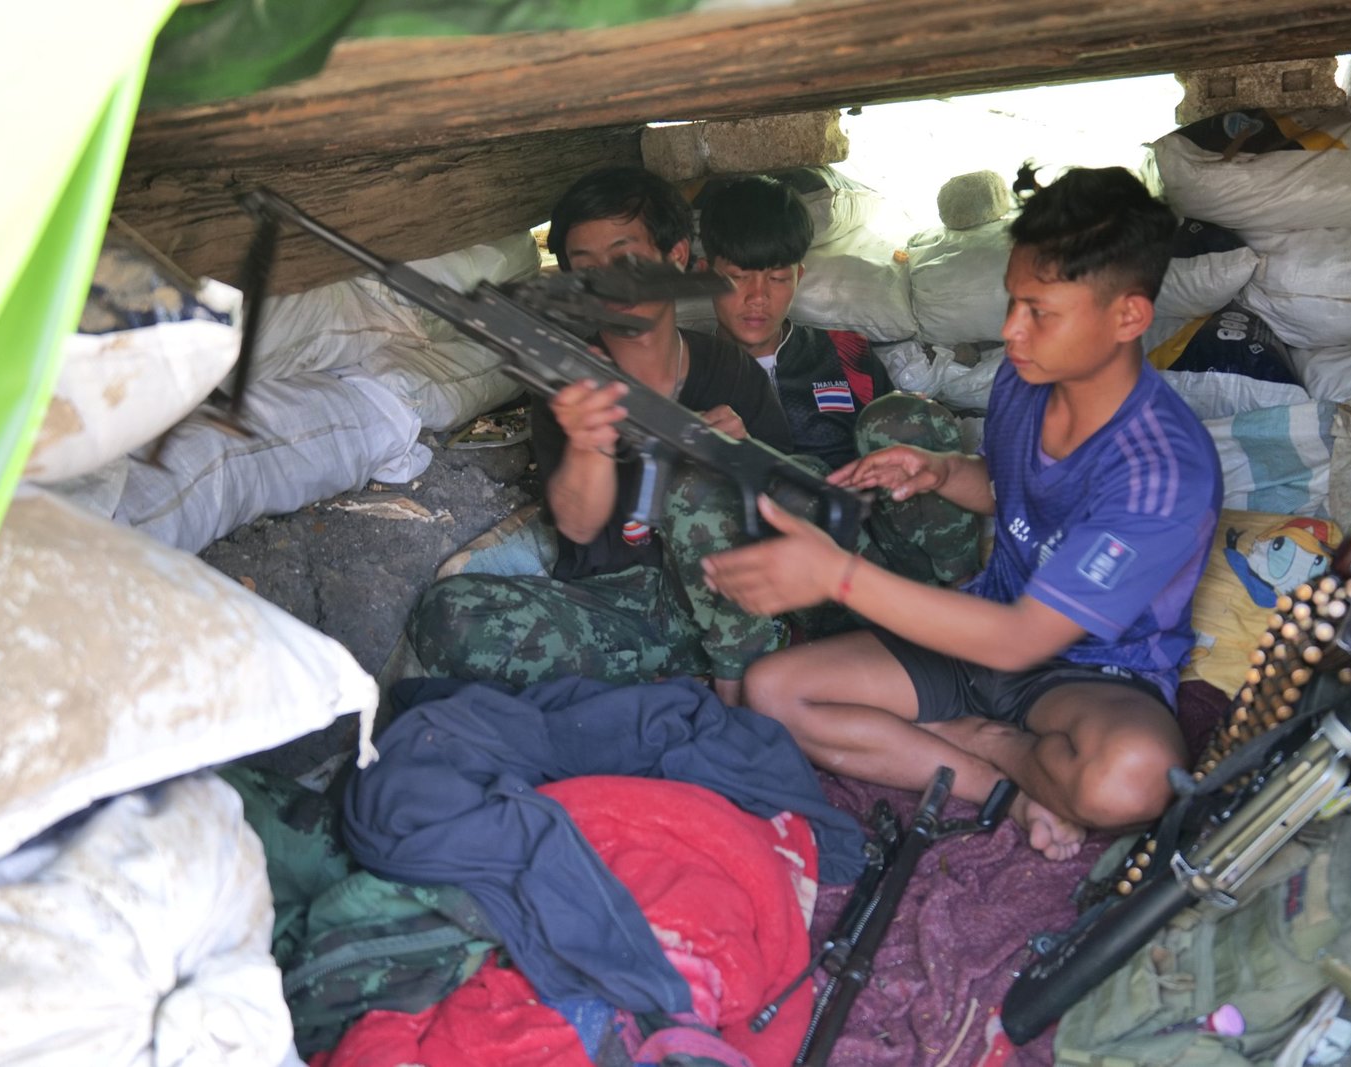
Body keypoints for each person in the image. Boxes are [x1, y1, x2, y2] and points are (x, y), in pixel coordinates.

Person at [701, 167, 1223, 859]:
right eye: (1012, 301)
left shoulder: (1162, 472)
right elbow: (1012, 496)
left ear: (1127, 316)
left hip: (1090, 675)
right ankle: (995, 775)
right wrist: (943, 472)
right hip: (979, 634)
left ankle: (989, 739)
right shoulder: (1026, 377)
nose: (1010, 330)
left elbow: (1022, 641)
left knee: (1129, 783)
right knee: (773, 691)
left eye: (1039, 311)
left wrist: (837, 576)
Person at [408, 165, 792, 707]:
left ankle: (701, 679)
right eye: (586, 269)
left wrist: (743, 454)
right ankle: (684, 682)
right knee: (448, 618)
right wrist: (588, 442)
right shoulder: (569, 384)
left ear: (676, 257)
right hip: (617, 608)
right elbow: (579, 528)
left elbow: (793, 511)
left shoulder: (729, 373)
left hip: (726, 603)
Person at [696, 174, 980, 589]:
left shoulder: (845, 353)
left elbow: (901, 452)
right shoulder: (692, 373)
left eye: (777, 278)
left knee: (904, 415)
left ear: (799, 276)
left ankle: (965, 591)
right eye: (738, 277)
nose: (758, 298)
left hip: (881, 545)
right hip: (784, 568)